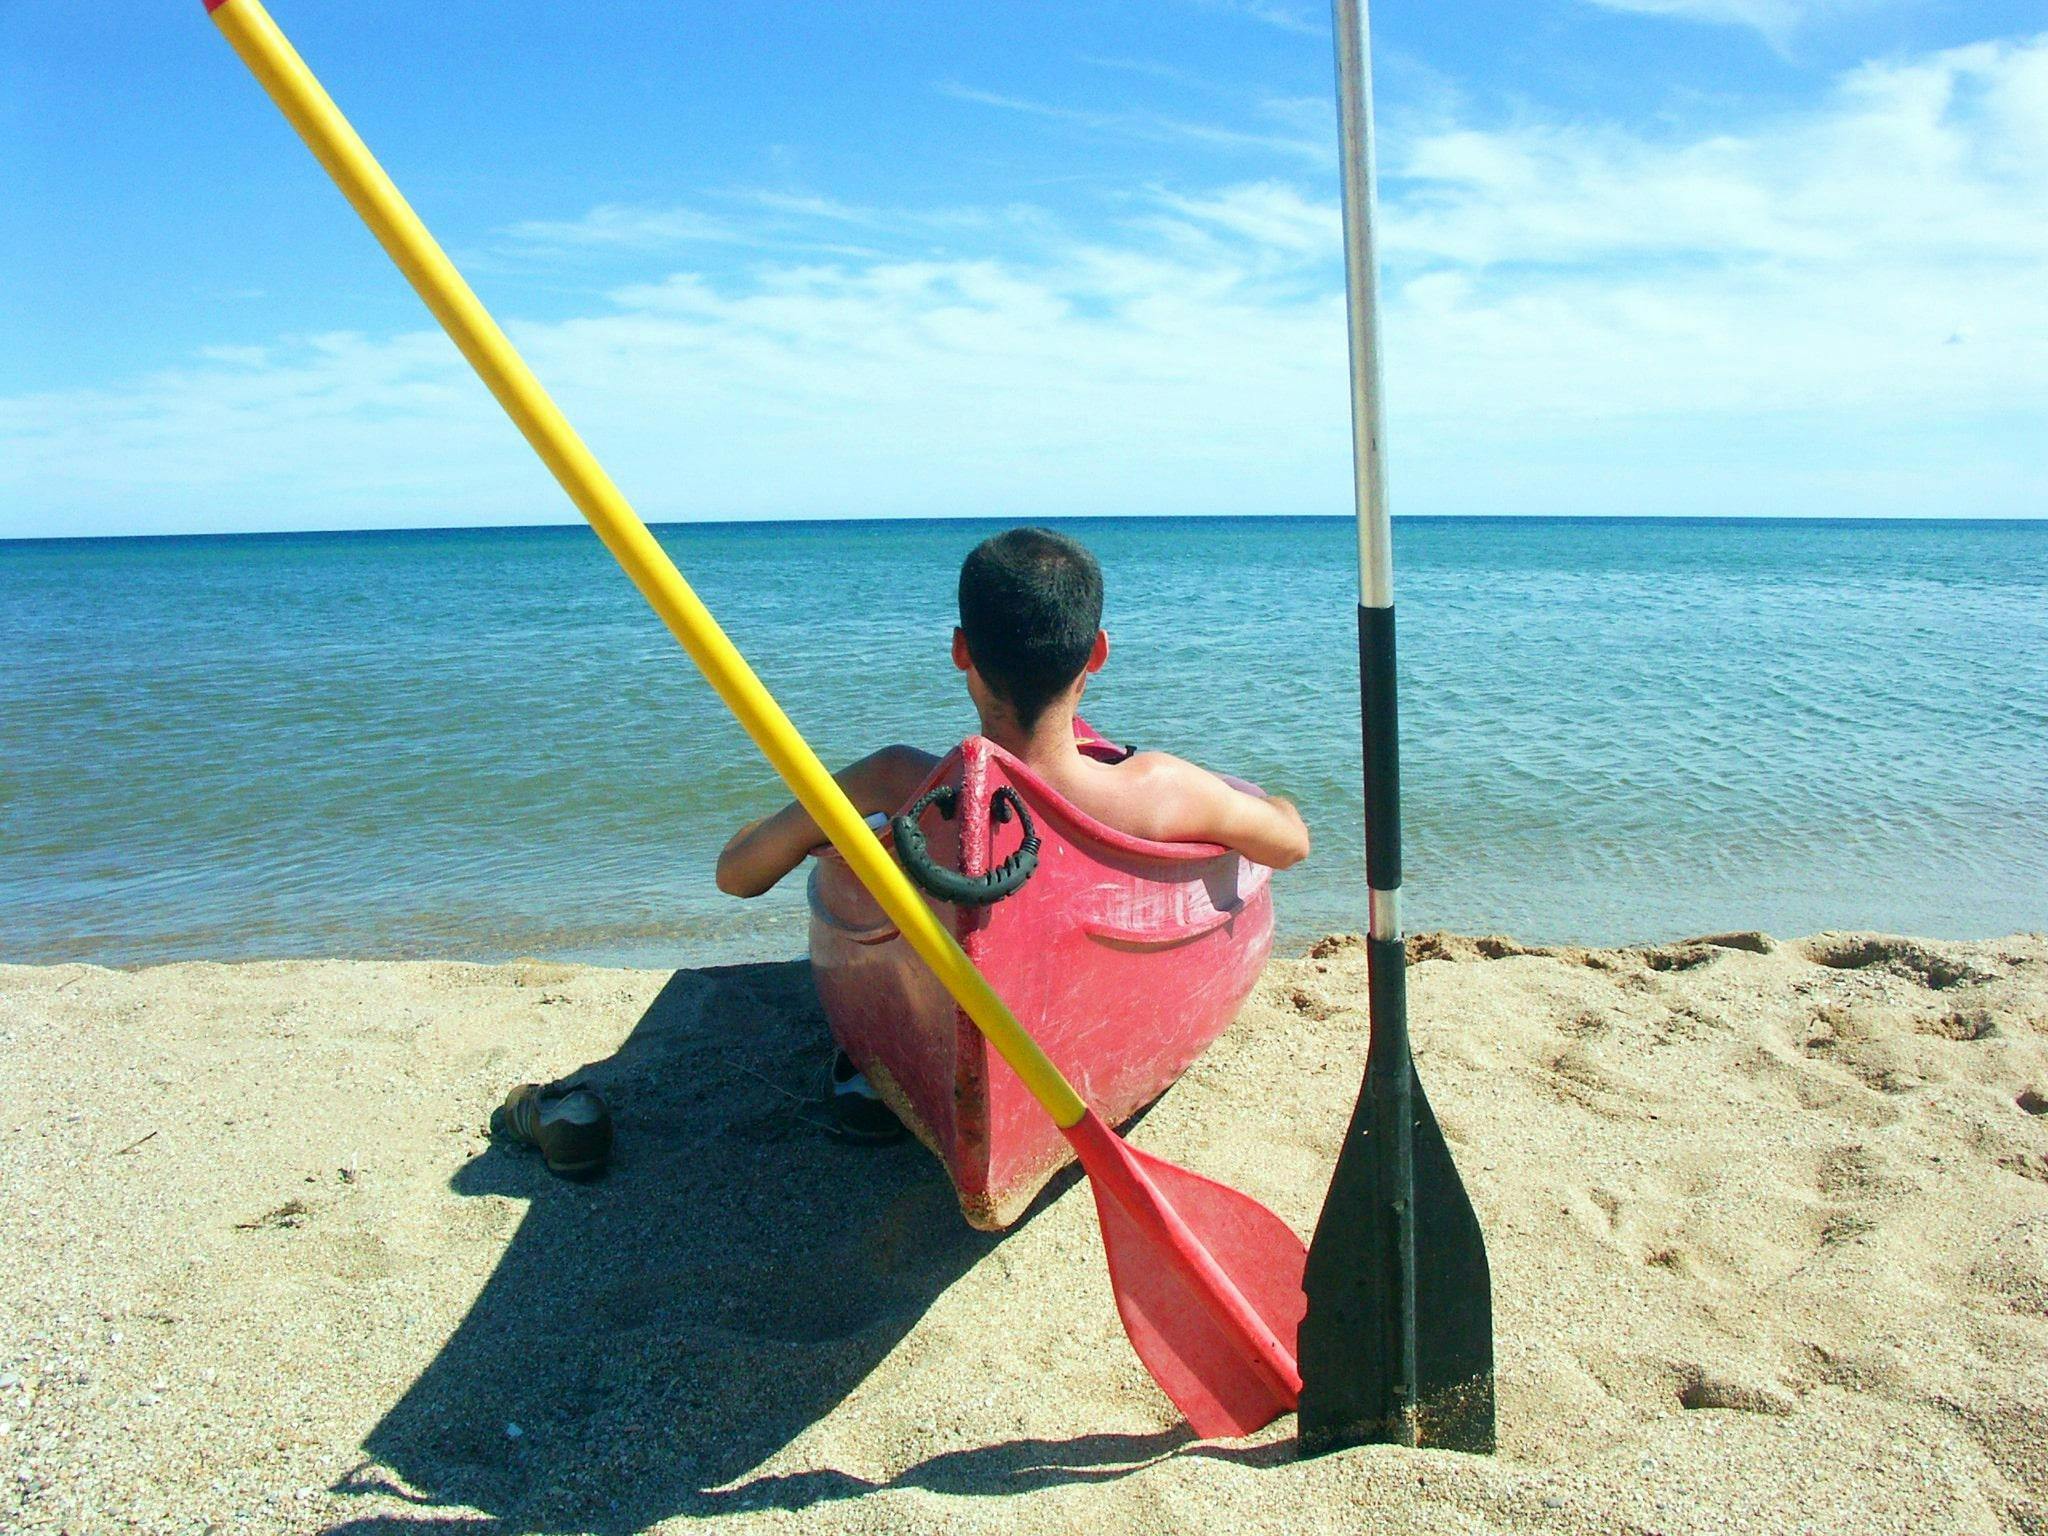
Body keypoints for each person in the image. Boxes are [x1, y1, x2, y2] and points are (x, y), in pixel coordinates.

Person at [715, 526, 1310, 1139]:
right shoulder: (1158, 790)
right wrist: (1275, 803)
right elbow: (1291, 843)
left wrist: (799, 827)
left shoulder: (894, 779)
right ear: (1097, 653)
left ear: (961, 650)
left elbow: (736, 874)